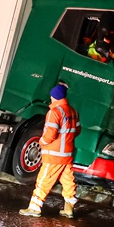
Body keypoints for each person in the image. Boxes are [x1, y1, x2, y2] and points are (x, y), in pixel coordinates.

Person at [20, 83, 80, 218]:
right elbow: (77, 130)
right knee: (68, 181)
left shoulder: (55, 112)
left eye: (52, 96)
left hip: (54, 154)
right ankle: (69, 208)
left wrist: (42, 142)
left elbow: (50, 134)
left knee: (43, 180)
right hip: (67, 154)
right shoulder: (73, 111)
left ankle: (34, 208)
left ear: (55, 97)